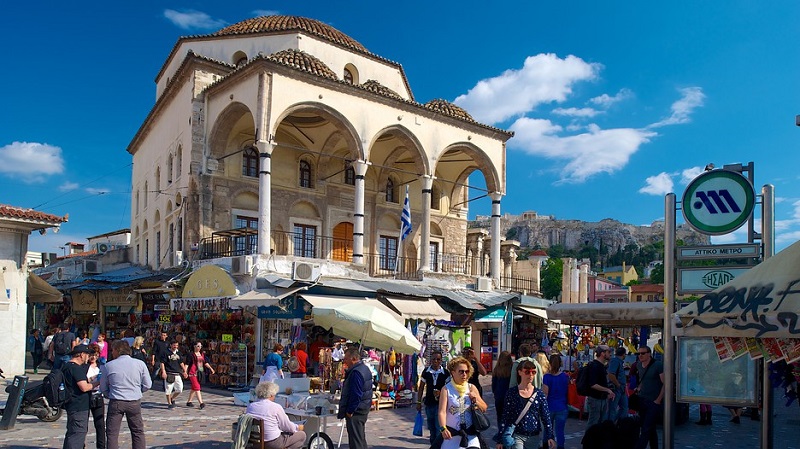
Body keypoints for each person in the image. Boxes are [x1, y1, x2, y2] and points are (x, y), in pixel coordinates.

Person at [101, 339, 151, 449]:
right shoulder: (140, 364)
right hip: (134, 401)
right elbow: (148, 384)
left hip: (116, 401)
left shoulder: (108, 366)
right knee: (137, 431)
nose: (111, 353)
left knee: (112, 433)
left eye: (112, 350)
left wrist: (110, 394)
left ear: (117, 351)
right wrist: (138, 390)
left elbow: (103, 388)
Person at [497, 360, 555, 449]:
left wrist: (550, 436)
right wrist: (500, 439)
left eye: (533, 372)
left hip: (534, 436)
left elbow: (546, 417)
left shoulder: (539, 394)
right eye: (527, 372)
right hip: (517, 434)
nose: (531, 375)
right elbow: (505, 416)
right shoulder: (512, 393)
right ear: (520, 372)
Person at [438, 356, 488, 449]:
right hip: (452, 436)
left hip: (470, 434)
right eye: (461, 371)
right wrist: (443, 428)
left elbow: (484, 408)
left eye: (466, 371)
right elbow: (442, 412)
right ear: (453, 373)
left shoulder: (471, 387)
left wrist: (475, 399)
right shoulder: (446, 389)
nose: (464, 374)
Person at [246, 381, 306, 449]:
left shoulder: (251, 406)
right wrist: (298, 427)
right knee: (302, 435)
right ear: (271, 395)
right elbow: (287, 427)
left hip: (255, 442)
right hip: (272, 442)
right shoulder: (275, 407)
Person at [62, 344, 99, 449]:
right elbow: (84, 387)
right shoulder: (76, 368)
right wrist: (97, 383)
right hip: (79, 405)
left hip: (71, 404)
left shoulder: (66, 366)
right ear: (82, 355)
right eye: (87, 354)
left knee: (72, 432)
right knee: (78, 433)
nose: (88, 357)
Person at [337, 348, 372, 449]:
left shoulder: (356, 372)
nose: (344, 361)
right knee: (360, 438)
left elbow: (356, 395)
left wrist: (350, 411)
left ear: (353, 359)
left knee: (355, 441)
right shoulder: (364, 368)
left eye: (346, 358)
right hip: (363, 407)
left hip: (357, 410)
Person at [632, 345, 664, 449]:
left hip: (653, 401)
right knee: (650, 428)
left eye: (642, 353)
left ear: (649, 354)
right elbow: (642, 379)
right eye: (638, 353)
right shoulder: (639, 365)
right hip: (642, 399)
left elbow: (665, 383)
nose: (640, 355)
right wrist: (639, 388)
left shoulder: (657, 365)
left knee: (646, 428)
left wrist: (658, 400)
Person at [418, 350, 450, 444]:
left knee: (438, 428)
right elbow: (421, 387)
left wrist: (442, 394)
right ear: (431, 360)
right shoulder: (426, 372)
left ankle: (438, 446)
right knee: (431, 428)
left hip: (440, 405)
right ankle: (433, 445)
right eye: (434, 359)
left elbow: (449, 388)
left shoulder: (445, 373)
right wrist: (419, 402)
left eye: (438, 359)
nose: (436, 361)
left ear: (441, 360)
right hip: (429, 404)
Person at [542, 354, 569, 449]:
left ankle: (545, 445)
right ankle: (560, 447)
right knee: (560, 431)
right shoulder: (565, 376)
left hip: (550, 406)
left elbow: (545, 394)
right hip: (562, 406)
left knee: (547, 430)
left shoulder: (547, 377)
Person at [584, 345, 614, 429]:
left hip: (602, 398)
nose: (610, 354)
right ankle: (589, 441)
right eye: (608, 352)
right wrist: (607, 390)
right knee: (593, 423)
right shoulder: (595, 366)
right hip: (595, 399)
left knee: (600, 423)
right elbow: (593, 384)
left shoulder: (601, 366)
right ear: (602, 354)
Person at [86, 344, 106, 449]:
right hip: (87, 395)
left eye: (96, 355)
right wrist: (94, 378)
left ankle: (101, 447)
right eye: (91, 355)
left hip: (98, 396)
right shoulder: (84, 366)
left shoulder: (101, 366)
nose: (93, 357)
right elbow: (83, 381)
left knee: (100, 425)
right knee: (83, 425)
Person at [185, 341, 216, 409]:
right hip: (192, 373)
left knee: (194, 388)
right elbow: (187, 364)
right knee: (197, 387)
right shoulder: (191, 354)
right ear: (194, 346)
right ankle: (201, 403)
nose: (199, 347)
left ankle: (189, 402)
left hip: (200, 372)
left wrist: (211, 368)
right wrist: (185, 371)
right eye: (198, 346)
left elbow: (205, 362)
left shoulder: (201, 354)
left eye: (200, 346)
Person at [160, 340, 187, 408]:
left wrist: (184, 371)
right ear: (171, 345)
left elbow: (181, 362)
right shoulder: (166, 352)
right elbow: (162, 363)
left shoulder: (179, 353)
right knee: (168, 389)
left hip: (177, 373)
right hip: (169, 373)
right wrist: (163, 371)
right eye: (174, 345)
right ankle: (169, 403)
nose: (175, 347)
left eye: (177, 345)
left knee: (180, 389)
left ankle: (172, 398)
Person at [607, 347, 628, 422]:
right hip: (616, 388)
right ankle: (610, 425)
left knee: (624, 408)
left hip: (621, 388)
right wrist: (618, 384)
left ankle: (619, 423)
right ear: (623, 354)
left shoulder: (619, 362)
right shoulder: (615, 361)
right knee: (612, 409)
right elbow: (611, 374)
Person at [491, 351, 513, 424]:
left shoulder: (497, 369)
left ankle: (500, 430)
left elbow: (494, 384)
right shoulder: (512, 369)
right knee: (509, 417)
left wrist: (495, 393)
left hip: (499, 395)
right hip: (509, 396)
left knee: (499, 416)